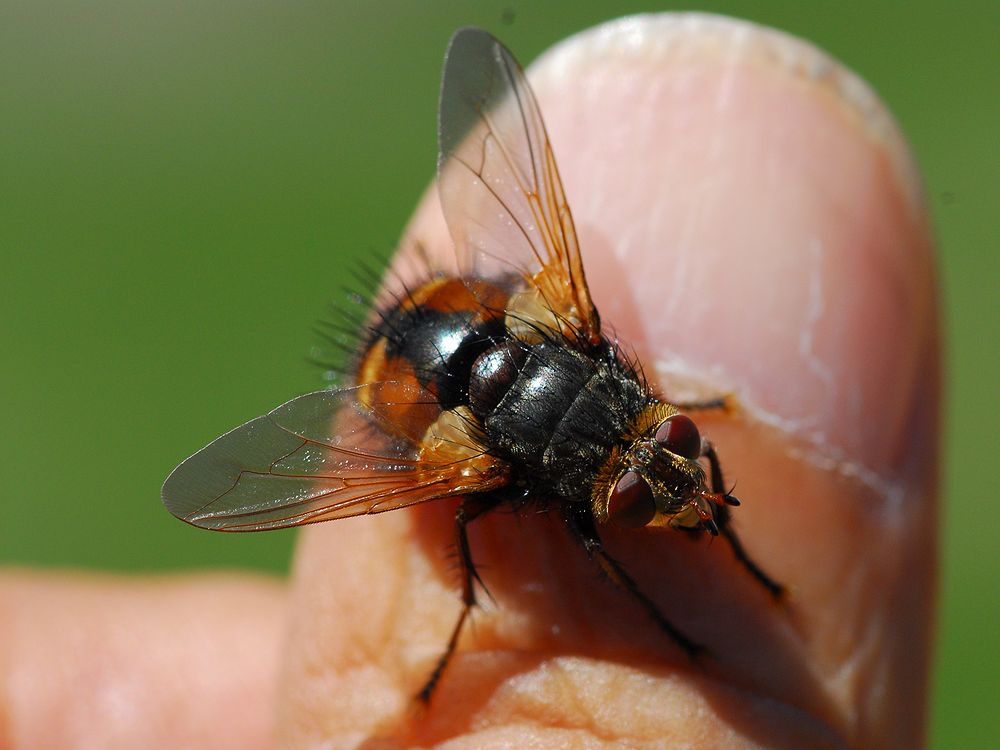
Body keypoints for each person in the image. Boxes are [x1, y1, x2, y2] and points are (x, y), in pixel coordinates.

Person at [0, 15, 938, 749]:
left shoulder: (588, 354)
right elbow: (512, 520)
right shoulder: (482, 468)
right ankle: (462, 616)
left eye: (675, 444)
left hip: (464, 323)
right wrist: (655, 625)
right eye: (678, 458)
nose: (687, 487)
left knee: (528, 307)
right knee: (466, 504)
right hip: (412, 379)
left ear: (661, 417)